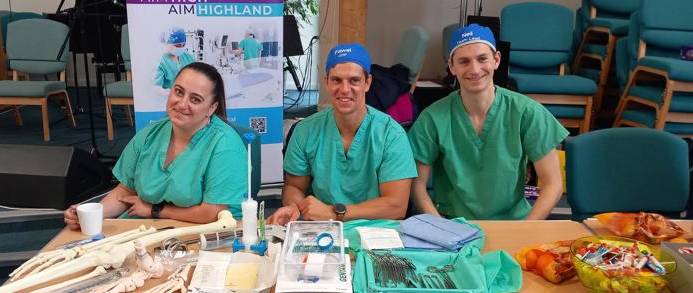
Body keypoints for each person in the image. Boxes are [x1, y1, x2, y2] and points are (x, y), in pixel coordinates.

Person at [408, 24, 567, 221]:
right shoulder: (433, 118)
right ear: (452, 67)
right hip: (453, 224)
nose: (475, 69)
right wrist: (441, 229)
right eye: (464, 61)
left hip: (514, 224)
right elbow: (417, 185)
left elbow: (553, 184)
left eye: (482, 59)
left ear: (496, 60)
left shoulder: (525, 111)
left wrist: (525, 230)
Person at [65, 62, 248, 229]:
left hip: (209, 232)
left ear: (211, 108)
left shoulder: (225, 145)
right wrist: (90, 214)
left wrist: (155, 210)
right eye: (178, 91)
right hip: (150, 226)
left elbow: (210, 212)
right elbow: (125, 191)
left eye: (195, 99)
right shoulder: (151, 134)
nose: (182, 104)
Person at [268, 43, 417, 226]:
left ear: (367, 83)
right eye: (336, 80)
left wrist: (334, 212)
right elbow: (294, 187)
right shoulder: (305, 130)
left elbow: (396, 206)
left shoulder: (391, 135)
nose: (345, 89)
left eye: (354, 80)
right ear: (326, 82)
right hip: (321, 228)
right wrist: (295, 207)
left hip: (375, 231)